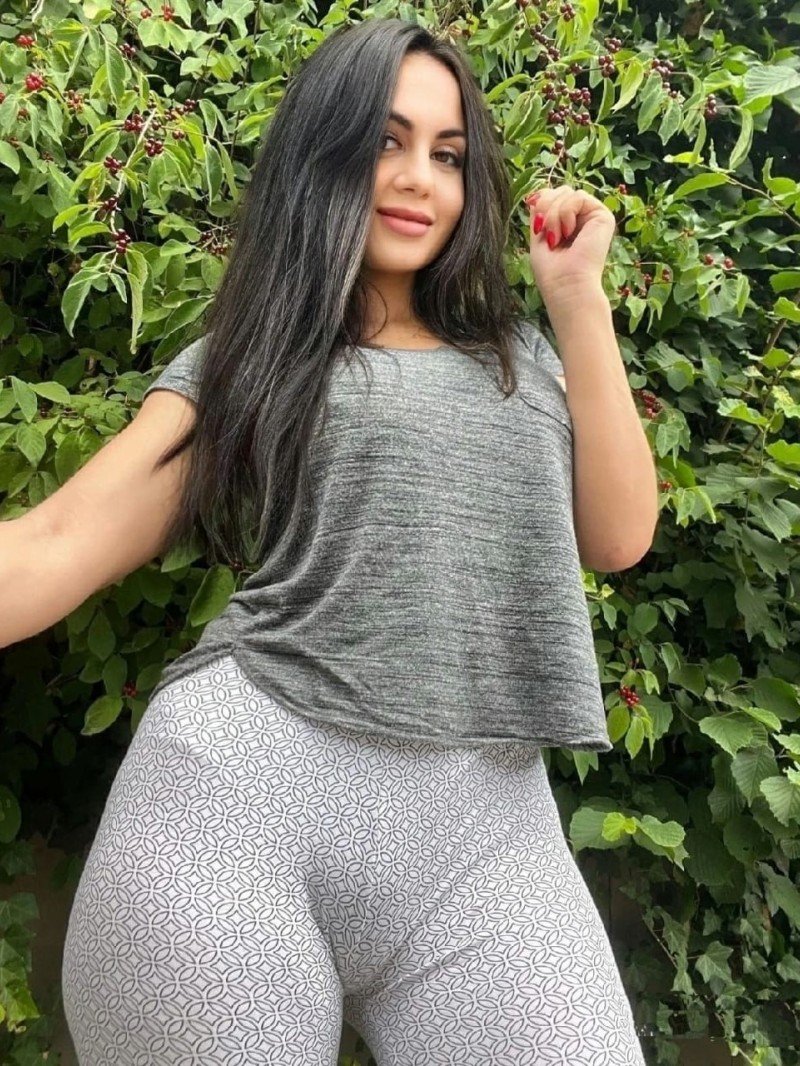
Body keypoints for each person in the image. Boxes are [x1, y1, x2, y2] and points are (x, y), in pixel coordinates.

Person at [1, 15, 648, 1064]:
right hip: (241, 800)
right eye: (385, 141)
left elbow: (617, 535)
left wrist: (576, 300)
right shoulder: (253, 357)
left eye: (447, 154)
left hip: (486, 834)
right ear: (322, 153)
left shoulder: (519, 356)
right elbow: (51, 544)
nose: (418, 178)